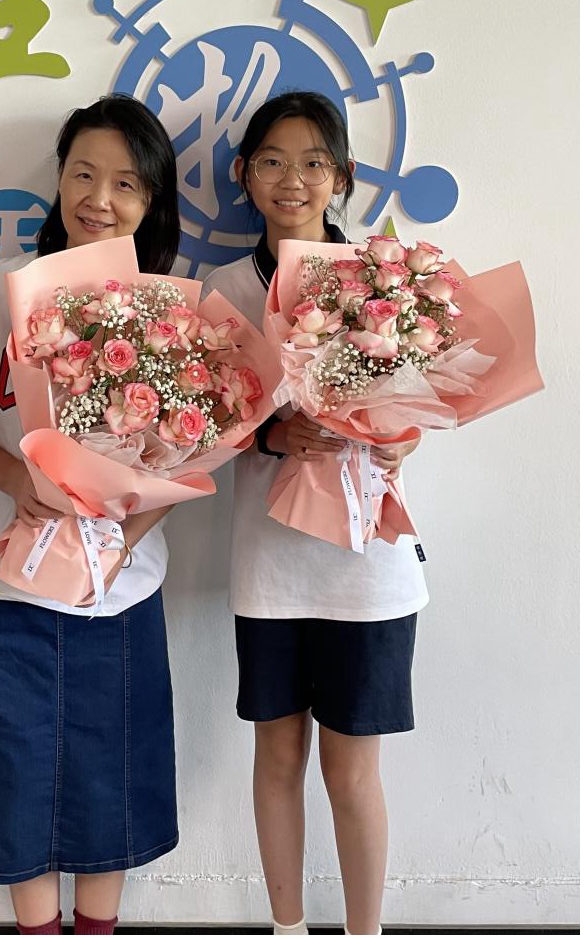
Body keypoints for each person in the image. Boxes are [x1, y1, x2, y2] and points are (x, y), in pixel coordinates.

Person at [0, 96, 181, 936]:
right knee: (10, 779)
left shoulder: (170, 312)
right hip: (0, 579)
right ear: (59, 178)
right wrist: (17, 480)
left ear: (152, 200)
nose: (98, 199)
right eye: (83, 174)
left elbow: (189, 455)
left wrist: (123, 535)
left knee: (112, 778)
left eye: (125, 183)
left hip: (118, 589)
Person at [201, 91, 424, 937]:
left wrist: (402, 442)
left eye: (313, 162)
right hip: (271, 565)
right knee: (278, 758)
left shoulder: (383, 282)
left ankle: (365, 931)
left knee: (352, 772)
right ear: (243, 173)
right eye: (271, 161)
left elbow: (424, 401)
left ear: (343, 176)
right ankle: (287, 928)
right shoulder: (223, 290)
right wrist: (269, 436)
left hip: (368, 567)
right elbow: (202, 426)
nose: (291, 179)